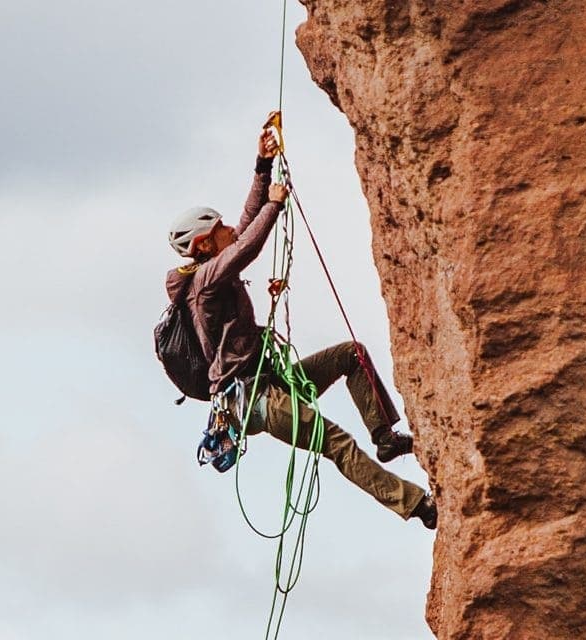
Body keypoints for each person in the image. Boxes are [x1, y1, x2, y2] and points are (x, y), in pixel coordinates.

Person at [164, 114, 437, 529]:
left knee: (352, 355)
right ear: (203, 244)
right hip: (255, 400)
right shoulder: (206, 281)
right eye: (220, 229)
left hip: (269, 383)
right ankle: (417, 505)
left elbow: (245, 227)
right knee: (337, 444)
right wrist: (275, 203)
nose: (231, 228)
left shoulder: (212, 270)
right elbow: (248, 245)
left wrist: (262, 165)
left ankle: (385, 439)